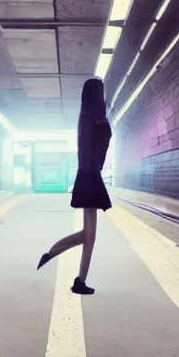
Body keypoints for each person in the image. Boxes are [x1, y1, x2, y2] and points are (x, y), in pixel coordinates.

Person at [36, 78, 112, 295]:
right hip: (92, 178)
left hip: (85, 176)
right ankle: (77, 279)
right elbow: (100, 154)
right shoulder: (99, 122)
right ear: (99, 96)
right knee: (90, 236)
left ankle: (54, 254)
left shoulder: (85, 121)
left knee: (88, 234)